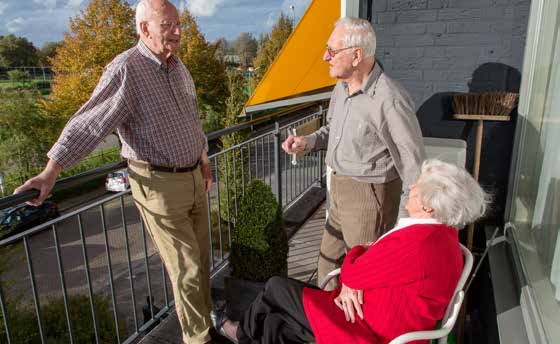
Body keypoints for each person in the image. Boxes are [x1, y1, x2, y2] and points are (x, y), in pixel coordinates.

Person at [14, 1, 214, 343]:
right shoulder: (126, 70)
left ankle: (207, 321)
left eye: (178, 23)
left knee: (204, 260)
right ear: (144, 29)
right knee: (187, 270)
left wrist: (204, 158)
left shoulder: (179, 67)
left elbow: (191, 119)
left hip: (195, 176)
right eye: (168, 25)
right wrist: (51, 171)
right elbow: (89, 125)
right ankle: (198, 338)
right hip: (159, 186)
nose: (178, 31)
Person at [215, 159, 490, 344]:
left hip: (364, 330)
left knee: (275, 288)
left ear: (429, 206)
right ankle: (246, 334)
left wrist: (355, 268)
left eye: (418, 186)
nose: (412, 187)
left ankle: (240, 332)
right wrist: (355, 277)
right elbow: (372, 268)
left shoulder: (419, 243)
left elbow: (356, 268)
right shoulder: (442, 237)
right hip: (374, 317)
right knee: (276, 316)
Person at [282, 17, 425, 285]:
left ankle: (351, 326)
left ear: (356, 55)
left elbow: (414, 165)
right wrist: (308, 141)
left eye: (332, 51)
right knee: (327, 264)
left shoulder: (389, 100)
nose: (325, 57)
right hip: (337, 190)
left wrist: (406, 225)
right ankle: (326, 321)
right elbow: (332, 129)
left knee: (360, 277)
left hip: (368, 199)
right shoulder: (341, 87)